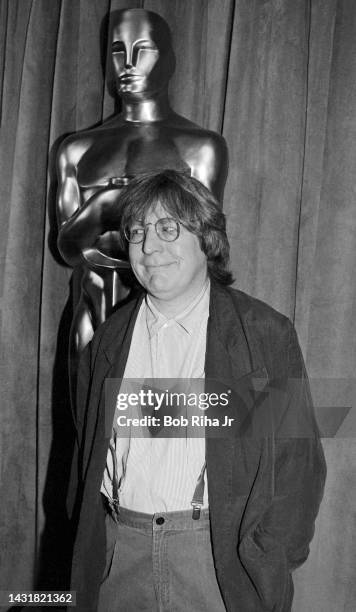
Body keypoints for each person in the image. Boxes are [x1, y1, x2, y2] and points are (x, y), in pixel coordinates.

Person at [67, 170, 326, 612]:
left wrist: (266, 558)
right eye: (137, 231)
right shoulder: (107, 342)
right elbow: (84, 461)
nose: (149, 247)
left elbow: (297, 471)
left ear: (206, 238)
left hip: (219, 563)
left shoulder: (262, 335)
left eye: (168, 228)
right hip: (118, 557)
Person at [56, 9, 228, 401]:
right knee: (91, 430)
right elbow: (66, 249)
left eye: (142, 49)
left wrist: (126, 210)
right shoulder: (77, 148)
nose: (128, 64)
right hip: (95, 301)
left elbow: (206, 243)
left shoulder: (200, 147)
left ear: (168, 60)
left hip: (168, 306)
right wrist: (102, 207)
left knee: (158, 428)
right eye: (117, 51)